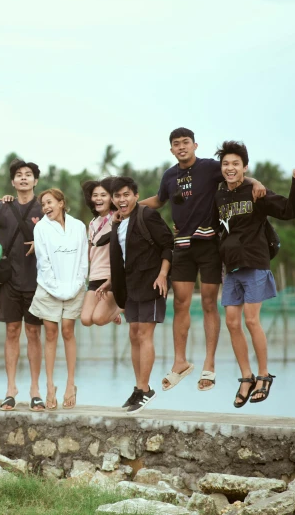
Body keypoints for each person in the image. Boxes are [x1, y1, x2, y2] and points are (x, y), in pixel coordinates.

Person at [139, 127, 265, 392]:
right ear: (171, 149)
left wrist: (255, 183)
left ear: (195, 145)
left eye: (186, 142)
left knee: (209, 303)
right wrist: (130, 207)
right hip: (182, 246)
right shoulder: (169, 175)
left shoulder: (210, 167)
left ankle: (209, 365)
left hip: (209, 245)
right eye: (176, 144)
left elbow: (235, 174)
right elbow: (160, 200)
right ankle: (180, 362)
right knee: (181, 303)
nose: (181, 147)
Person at [213, 141, 295, 407]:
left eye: (235, 164)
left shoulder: (256, 193)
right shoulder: (219, 196)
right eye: (226, 164)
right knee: (232, 322)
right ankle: (246, 377)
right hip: (230, 268)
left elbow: (290, 210)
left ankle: (264, 375)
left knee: (251, 321)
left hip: (254, 263)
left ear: (244, 167)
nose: (230, 168)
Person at [0, 158, 45, 412]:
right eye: (18, 175)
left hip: (38, 281)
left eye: (28, 175)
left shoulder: (44, 206)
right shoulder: (3, 206)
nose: (23, 178)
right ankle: (10, 389)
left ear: (35, 181)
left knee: (34, 334)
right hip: (10, 281)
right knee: (12, 332)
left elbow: (61, 230)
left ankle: (35, 390)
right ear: (13, 181)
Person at [105, 176, 174, 415]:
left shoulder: (148, 215)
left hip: (151, 283)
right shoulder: (119, 223)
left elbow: (168, 245)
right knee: (134, 334)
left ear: (136, 195)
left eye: (126, 195)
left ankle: (146, 389)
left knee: (145, 334)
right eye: (117, 196)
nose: (121, 200)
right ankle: (138, 388)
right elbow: (121, 258)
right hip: (130, 286)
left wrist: (163, 275)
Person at [29, 188, 88, 410]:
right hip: (48, 287)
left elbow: (84, 259)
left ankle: (70, 385)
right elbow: (43, 261)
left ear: (61, 203)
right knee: (51, 333)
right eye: (43, 204)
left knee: (67, 331)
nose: (46, 207)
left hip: (75, 286)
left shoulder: (79, 226)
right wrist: (57, 289)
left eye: (50, 202)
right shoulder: (41, 228)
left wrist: (76, 285)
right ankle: (50, 385)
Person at [79, 178, 122, 327]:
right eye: (95, 195)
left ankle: (120, 306)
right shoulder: (92, 223)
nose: (98, 198)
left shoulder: (117, 219)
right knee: (85, 320)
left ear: (111, 198)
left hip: (111, 276)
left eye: (103, 195)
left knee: (98, 319)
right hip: (95, 276)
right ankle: (110, 311)